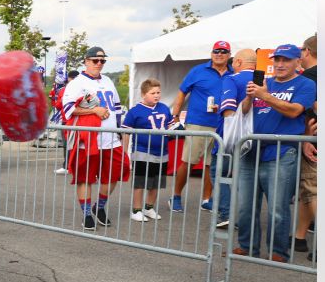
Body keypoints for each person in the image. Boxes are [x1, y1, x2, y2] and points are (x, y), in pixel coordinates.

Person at [234, 43, 316, 262]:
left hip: (282, 152)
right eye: (277, 60)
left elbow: (294, 111)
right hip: (251, 151)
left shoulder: (306, 84)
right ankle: (247, 246)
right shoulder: (264, 82)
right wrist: (251, 97)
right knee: (245, 206)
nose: (280, 64)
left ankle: (278, 252)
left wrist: (265, 95)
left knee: (278, 208)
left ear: (298, 61)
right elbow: (244, 111)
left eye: (286, 60)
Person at [61, 47, 128, 230]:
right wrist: (94, 110)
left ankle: (99, 207)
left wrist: (119, 131)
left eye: (102, 61)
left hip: (111, 138)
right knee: (85, 178)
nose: (99, 64)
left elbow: (116, 108)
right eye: (95, 60)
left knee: (116, 172)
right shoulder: (76, 83)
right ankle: (86, 214)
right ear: (86, 61)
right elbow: (67, 109)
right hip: (88, 140)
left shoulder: (107, 81)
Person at [169, 41, 232, 212]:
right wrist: (175, 115)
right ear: (211, 53)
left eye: (223, 51)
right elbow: (182, 92)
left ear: (229, 55)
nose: (219, 54)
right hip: (197, 123)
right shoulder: (198, 70)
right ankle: (175, 196)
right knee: (188, 161)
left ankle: (206, 199)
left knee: (211, 165)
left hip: (222, 125)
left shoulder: (233, 73)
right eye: (216, 51)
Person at [215, 49, 259, 229]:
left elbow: (229, 112)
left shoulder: (231, 78)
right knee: (247, 180)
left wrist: (228, 142)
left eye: (234, 62)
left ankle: (226, 214)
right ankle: (246, 219)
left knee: (219, 173)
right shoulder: (265, 81)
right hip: (258, 136)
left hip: (235, 138)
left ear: (239, 62)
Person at [122, 79, 172, 221]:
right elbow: (126, 133)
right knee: (140, 182)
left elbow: (170, 127)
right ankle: (136, 210)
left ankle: (149, 207)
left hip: (162, 151)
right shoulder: (135, 111)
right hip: (142, 152)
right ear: (144, 94)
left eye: (158, 92)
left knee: (156, 182)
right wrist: (125, 153)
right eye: (152, 93)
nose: (156, 95)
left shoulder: (164, 108)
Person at [293, 35, 317, 258]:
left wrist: (308, 136)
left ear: (307, 51)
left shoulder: (309, 77)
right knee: (307, 190)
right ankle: (300, 237)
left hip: (314, 139)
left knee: (313, 189)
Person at [53, 69, 78, 174]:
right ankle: (77, 166)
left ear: (69, 78)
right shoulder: (84, 89)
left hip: (67, 121)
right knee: (79, 144)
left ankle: (67, 166)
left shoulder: (64, 90)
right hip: (79, 121)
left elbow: (58, 105)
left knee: (67, 144)